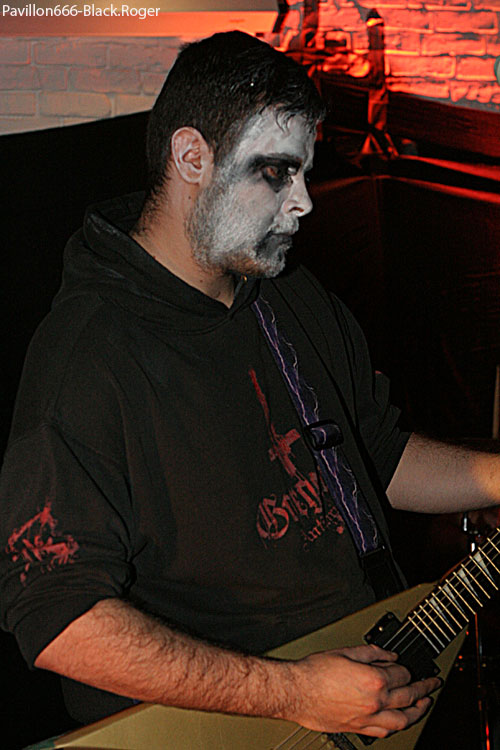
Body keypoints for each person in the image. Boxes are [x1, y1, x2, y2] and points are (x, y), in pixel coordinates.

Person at [1, 29, 500, 741]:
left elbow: (376, 455)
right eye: (275, 172)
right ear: (191, 157)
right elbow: (59, 622)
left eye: (305, 173)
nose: (304, 202)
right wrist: (292, 692)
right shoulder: (87, 357)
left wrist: (494, 478)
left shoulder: (288, 294)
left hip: (362, 683)